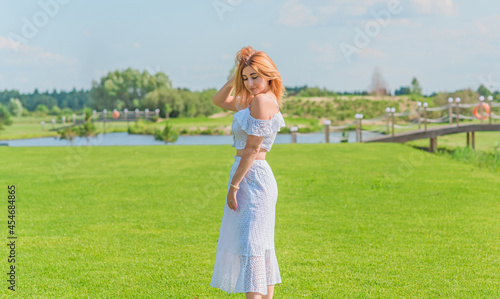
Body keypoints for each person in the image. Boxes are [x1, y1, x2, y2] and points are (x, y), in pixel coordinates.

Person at [210, 46, 286, 299]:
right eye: (246, 78)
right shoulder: (254, 100)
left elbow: (253, 148)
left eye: (255, 76)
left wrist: (234, 185)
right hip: (248, 174)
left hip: (252, 177)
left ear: (268, 75)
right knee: (258, 245)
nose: (250, 83)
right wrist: (236, 75)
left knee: (251, 245)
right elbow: (219, 100)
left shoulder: (263, 101)